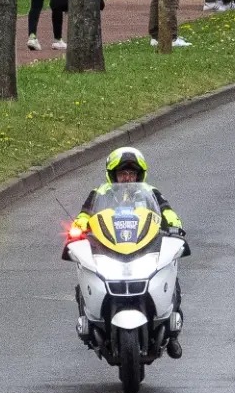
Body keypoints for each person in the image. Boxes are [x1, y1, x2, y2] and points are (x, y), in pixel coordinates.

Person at [70, 146, 187, 356]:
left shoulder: (150, 192)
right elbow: (85, 213)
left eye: (132, 173)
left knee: (169, 268)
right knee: (85, 268)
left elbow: (166, 210)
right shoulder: (100, 193)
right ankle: (90, 318)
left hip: (143, 245)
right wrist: (78, 227)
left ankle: (172, 335)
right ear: (113, 175)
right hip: (109, 246)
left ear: (139, 175)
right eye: (122, 173)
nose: (127, 178)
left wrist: (175, 225)